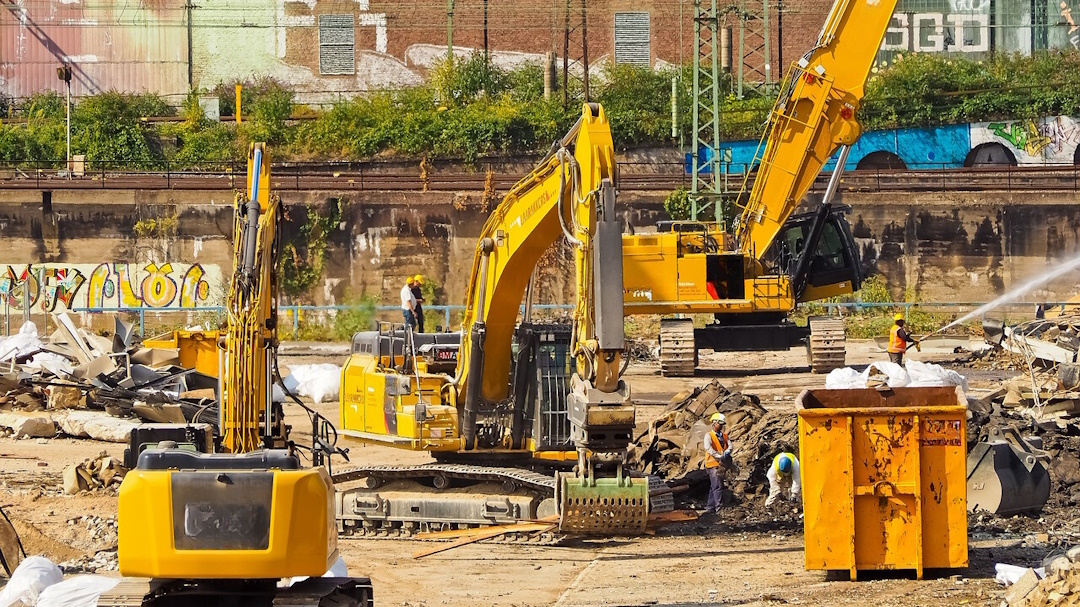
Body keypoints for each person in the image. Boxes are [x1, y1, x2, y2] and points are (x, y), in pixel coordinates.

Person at [703, 412, 732, 514]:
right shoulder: (709, 436)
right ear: (714, 423)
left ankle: (710, 507)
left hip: (721, 464)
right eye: (720, 424)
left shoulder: (724, 436)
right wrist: (718, 456)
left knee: (713, 486)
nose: (721, 427)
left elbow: (729, 446)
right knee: (718, 486)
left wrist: (727, 452)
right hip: (712, 465)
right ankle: (719, 508)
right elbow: (708, 448)